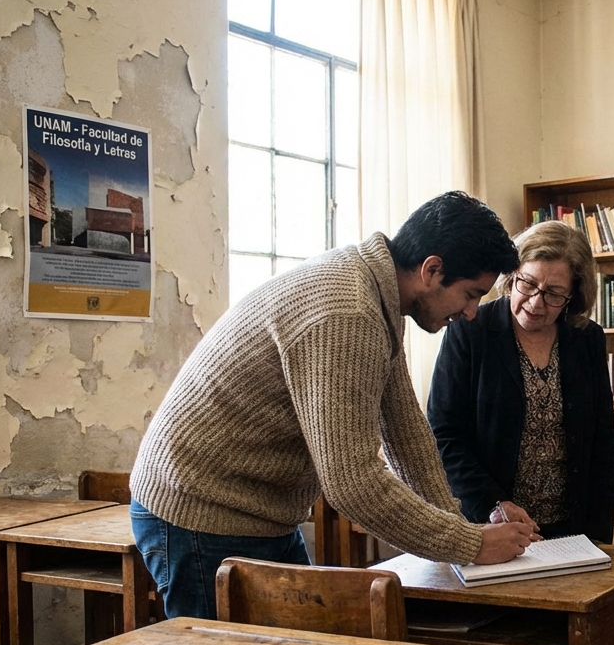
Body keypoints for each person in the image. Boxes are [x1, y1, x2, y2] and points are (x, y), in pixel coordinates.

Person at [130, 191, 537, 620]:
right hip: (199, 512)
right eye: (471, 294)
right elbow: (352, 482)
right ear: (431, 270)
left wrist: (461, 528)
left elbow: (405, 431)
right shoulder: (348, 312)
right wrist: (469, 544)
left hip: (254, 510)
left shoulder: (377, 295)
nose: (472, 313)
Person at [427, 221, 614, 645]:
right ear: (511, 276)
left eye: (554, 294)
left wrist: (598, 533)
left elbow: (602, 438)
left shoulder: (584, 339)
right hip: (491, 528)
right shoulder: (472, 329)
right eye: (527, 284)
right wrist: (491, 502)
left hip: (563, 528)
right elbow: (444, 431)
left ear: (575, 295)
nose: (535, 302)